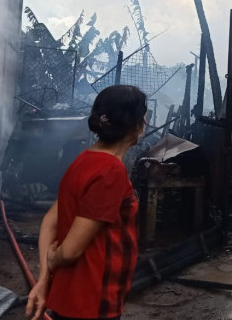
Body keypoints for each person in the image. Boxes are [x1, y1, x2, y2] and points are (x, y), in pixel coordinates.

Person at [26, 85, 147, 320]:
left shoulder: (84, 160)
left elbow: (49, 222)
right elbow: (71, 251)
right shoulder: (111, 171)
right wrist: (54, 259)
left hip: (71, 297)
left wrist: (43, 279)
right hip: (93, 301)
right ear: (135, 124)